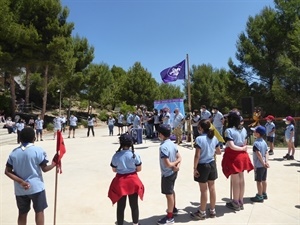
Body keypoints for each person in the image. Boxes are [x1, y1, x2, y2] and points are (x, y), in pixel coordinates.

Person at [4, 127, 57, 225]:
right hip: (36, 188)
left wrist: (21, 181)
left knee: (22, 213)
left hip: (20, 189)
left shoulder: (14, 153)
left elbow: (7, 171)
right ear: (34, 138)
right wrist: (54, 163)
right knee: (39, 211)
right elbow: (44, 169)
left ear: (20, 139)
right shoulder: (38, 151)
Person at [108, 133, 144, 225]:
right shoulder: (135, 154)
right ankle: (135, 223)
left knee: (120, 206)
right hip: (133, 181)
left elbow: (114, 169)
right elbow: (139, 169)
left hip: (121, 182)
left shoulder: (116, 155)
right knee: (134, 205)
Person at [221, 111, 254, 211]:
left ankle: (235, 202)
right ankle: (240, 201)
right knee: (241, 179)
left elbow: (231, 145)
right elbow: (244, 142)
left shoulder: (228, 131)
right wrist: (243, 149)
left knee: (235, 180)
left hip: (234, 156)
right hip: (242, 156)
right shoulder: (243, 129)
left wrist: (240, 149)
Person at [190, 119, 221, 220]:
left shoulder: (199, 139)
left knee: (203, 190)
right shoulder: (214, 138)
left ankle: (202, 212)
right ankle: (212, 210)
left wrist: (195, 168)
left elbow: (197, 155)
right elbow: (218, 152)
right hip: (212, 164)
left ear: (201, 128)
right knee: (212, 188)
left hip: (202, 165)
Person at [157, 124, 182, 225]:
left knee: (168, 194)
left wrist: (173, 166)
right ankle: (174, 208)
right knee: (171, 190)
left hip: (167, 174)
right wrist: (177, 166)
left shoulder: (163, 147)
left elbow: (167, 164)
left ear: (162, 135)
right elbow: (179, 157)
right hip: (173, 172)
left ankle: (170, 216)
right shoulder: (172, 144)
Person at [250, 126, 269, 202]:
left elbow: (258, 153)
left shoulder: (256, 143)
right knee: (264, 179)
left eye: (254, 132)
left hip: (259, 165)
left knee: (259, 181)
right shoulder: (264, 142)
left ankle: (259, 195)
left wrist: (262, 163)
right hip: (264, 165)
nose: (253, 133)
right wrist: (266, 162)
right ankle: (264, 193)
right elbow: (266, 152)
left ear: (257, 134)